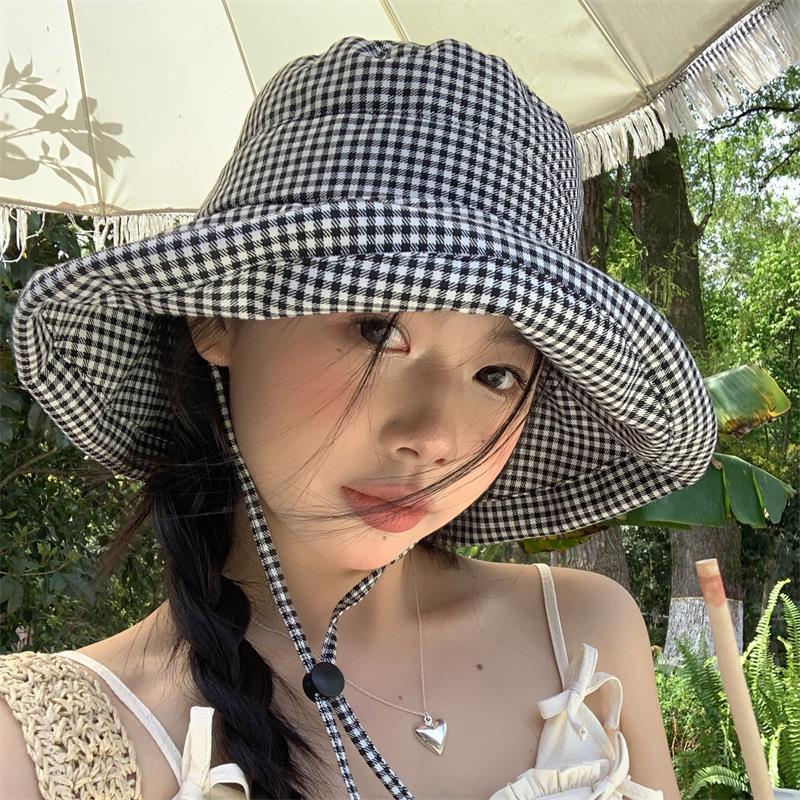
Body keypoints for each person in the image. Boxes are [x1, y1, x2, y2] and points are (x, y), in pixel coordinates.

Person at [0, 36, 716, 800]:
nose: (433, 438)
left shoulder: (584, 641)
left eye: (497, 374)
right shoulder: (45, 750)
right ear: (218, 317)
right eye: (377, 331)